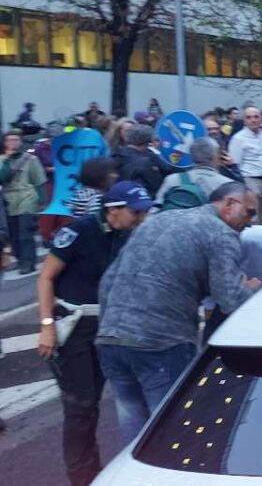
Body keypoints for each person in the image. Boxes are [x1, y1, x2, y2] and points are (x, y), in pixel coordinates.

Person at [96, 182, 260, 444]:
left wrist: (110, 326)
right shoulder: (220, 233)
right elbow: (229, 299)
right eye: (249, 212)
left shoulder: (157, 221)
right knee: (173, 432)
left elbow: (107, 282)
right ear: (229, 204)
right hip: (161, 340)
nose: (251, 222)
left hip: (111, 338)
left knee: (134, 433)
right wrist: (253, 290)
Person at [35, 182, 151, 485]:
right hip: (74, 325)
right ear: (113, 210)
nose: (141, 217)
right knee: (80, 405)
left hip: (108, 324)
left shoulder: (128, 234)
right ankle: (83, 476)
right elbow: (46, 277)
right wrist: (46, 326)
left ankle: (97, 469)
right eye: (135, 212)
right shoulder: (80, 231)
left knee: (98, 398)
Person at [1, 129, 47, 274]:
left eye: (16, 140)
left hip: (27, 197)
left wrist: (42, 200)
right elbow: (2, 177)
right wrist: (7, 160)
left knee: (25, 231)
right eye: (10, 140)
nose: (13, 143)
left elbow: (39, 180)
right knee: (13, 234)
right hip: (8, 200)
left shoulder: (30, 159)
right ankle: (22, 259)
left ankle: (28, 262)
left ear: (20, 142)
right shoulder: (2, 160)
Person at [227, 106, 262, 225]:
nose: (253, 120)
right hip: (249, 181)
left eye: (256, 117)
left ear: (261, 119)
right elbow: (234, 165)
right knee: (252, 220)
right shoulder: (238, 139)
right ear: (244, 121)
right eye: (249, 117)